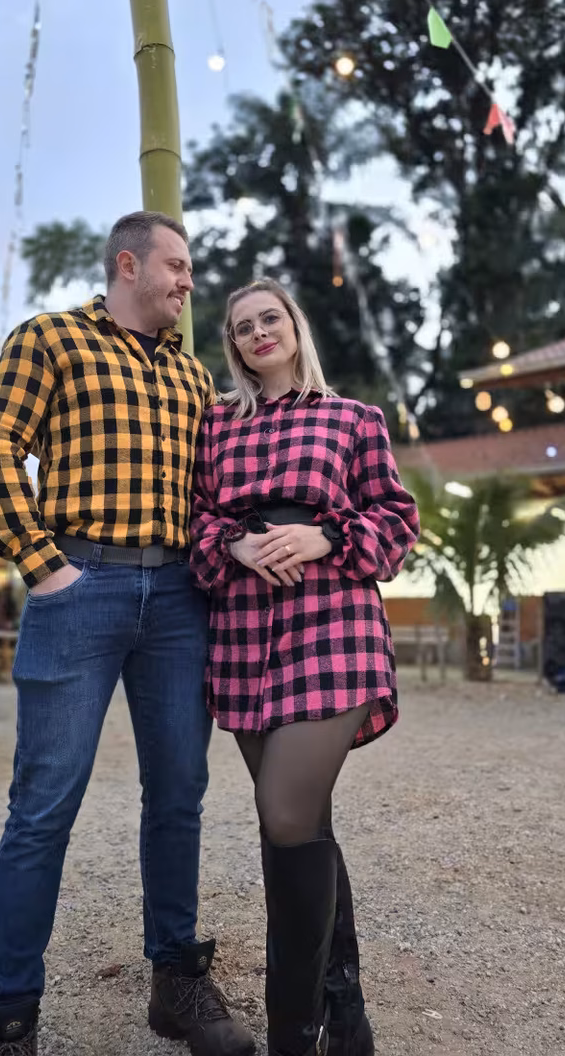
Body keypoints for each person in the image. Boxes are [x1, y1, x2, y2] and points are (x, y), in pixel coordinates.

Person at [0, 211, 254, 1056]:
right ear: (129, 264)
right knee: (43, 804)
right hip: (79, 582)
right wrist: (44, 565)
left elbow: (214, 492)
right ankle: (10, 1014)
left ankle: (176, 981)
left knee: (179, 792)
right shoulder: (49, 340)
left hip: (179, 597)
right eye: (177, 265)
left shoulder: (194, 377)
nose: (188, 281)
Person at [190, 280, 419, 1056]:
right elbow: (195, 518)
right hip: (244, 636)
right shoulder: (216, 426)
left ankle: (295, 1031)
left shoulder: (354, 419)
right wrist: (233, 543)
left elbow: (397, 520)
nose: (259, 332)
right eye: (242, 326)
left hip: (333, 630)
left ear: (294, 327)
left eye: (270, 318)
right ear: (232, 344)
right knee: (301, 823)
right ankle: (343, 1009)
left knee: (286, 816)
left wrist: (327, 536)